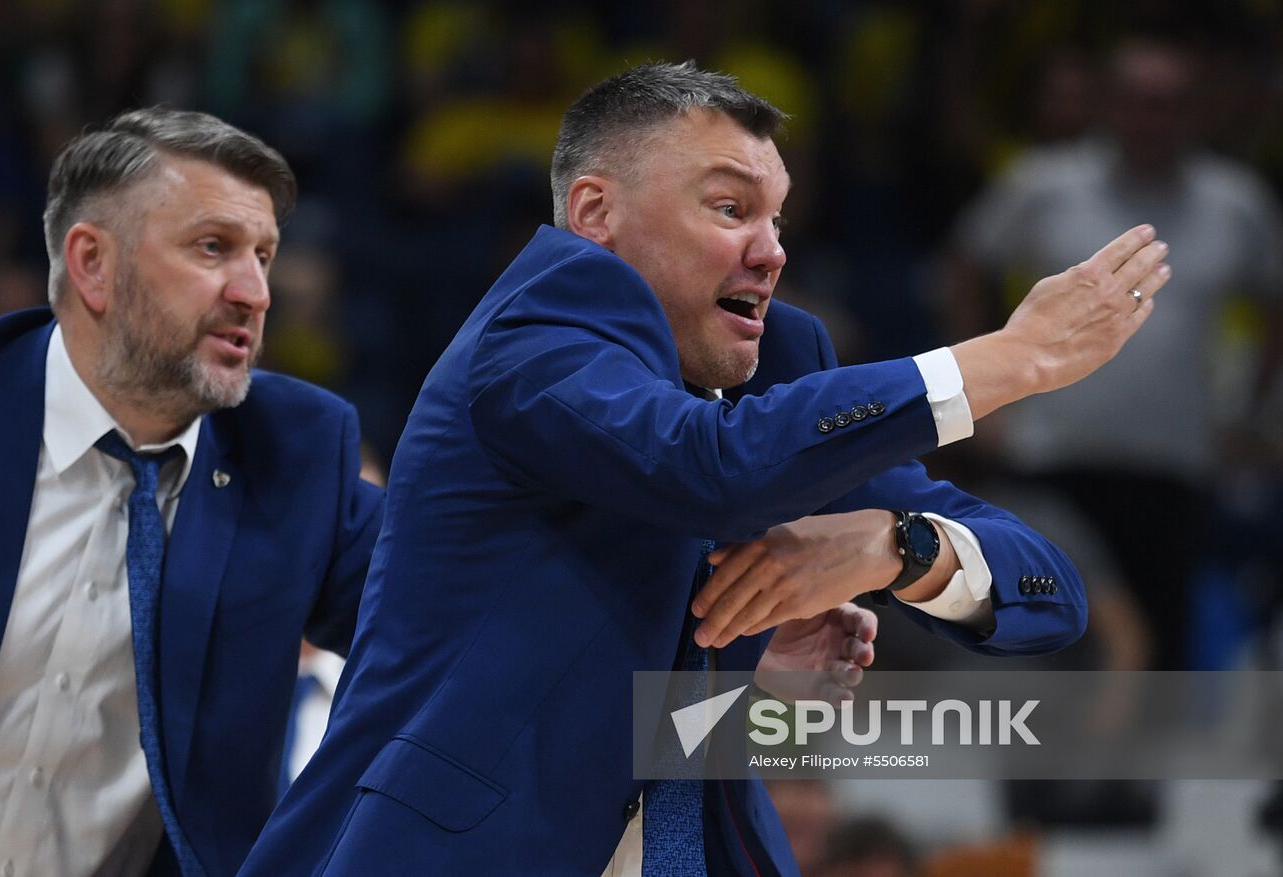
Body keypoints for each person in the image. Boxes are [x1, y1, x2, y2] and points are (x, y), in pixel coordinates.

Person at [242, 62, 1170, 876]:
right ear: (595, 214)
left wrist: (895, 547)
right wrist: (1010, 360)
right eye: (730, 209)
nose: (769, 250)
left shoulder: (783, 363)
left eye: (777, 218)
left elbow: (1052, 598)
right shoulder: (532, 339)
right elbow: (709, 469)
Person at [0, 109, 384, 876]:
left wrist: (647, 761)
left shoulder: (296, 457)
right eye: (213, 247)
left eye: (265, 255)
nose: (255, 292)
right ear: (92, 264)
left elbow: (483, 618)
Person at [943, 36, 1283, 667]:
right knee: (1040, 642)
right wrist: (979, 398)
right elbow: (966, 264)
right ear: (1106, 105)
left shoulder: (1235, 204)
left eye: (1166, 104)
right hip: (1050, 456)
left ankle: (1136, 771)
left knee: (1156, 652)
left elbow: (1274, 302)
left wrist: (1252, 416)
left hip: (1172, 463)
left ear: (1195, 110)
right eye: (1135, 102)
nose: (1149, 120)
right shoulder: (1045, 183)